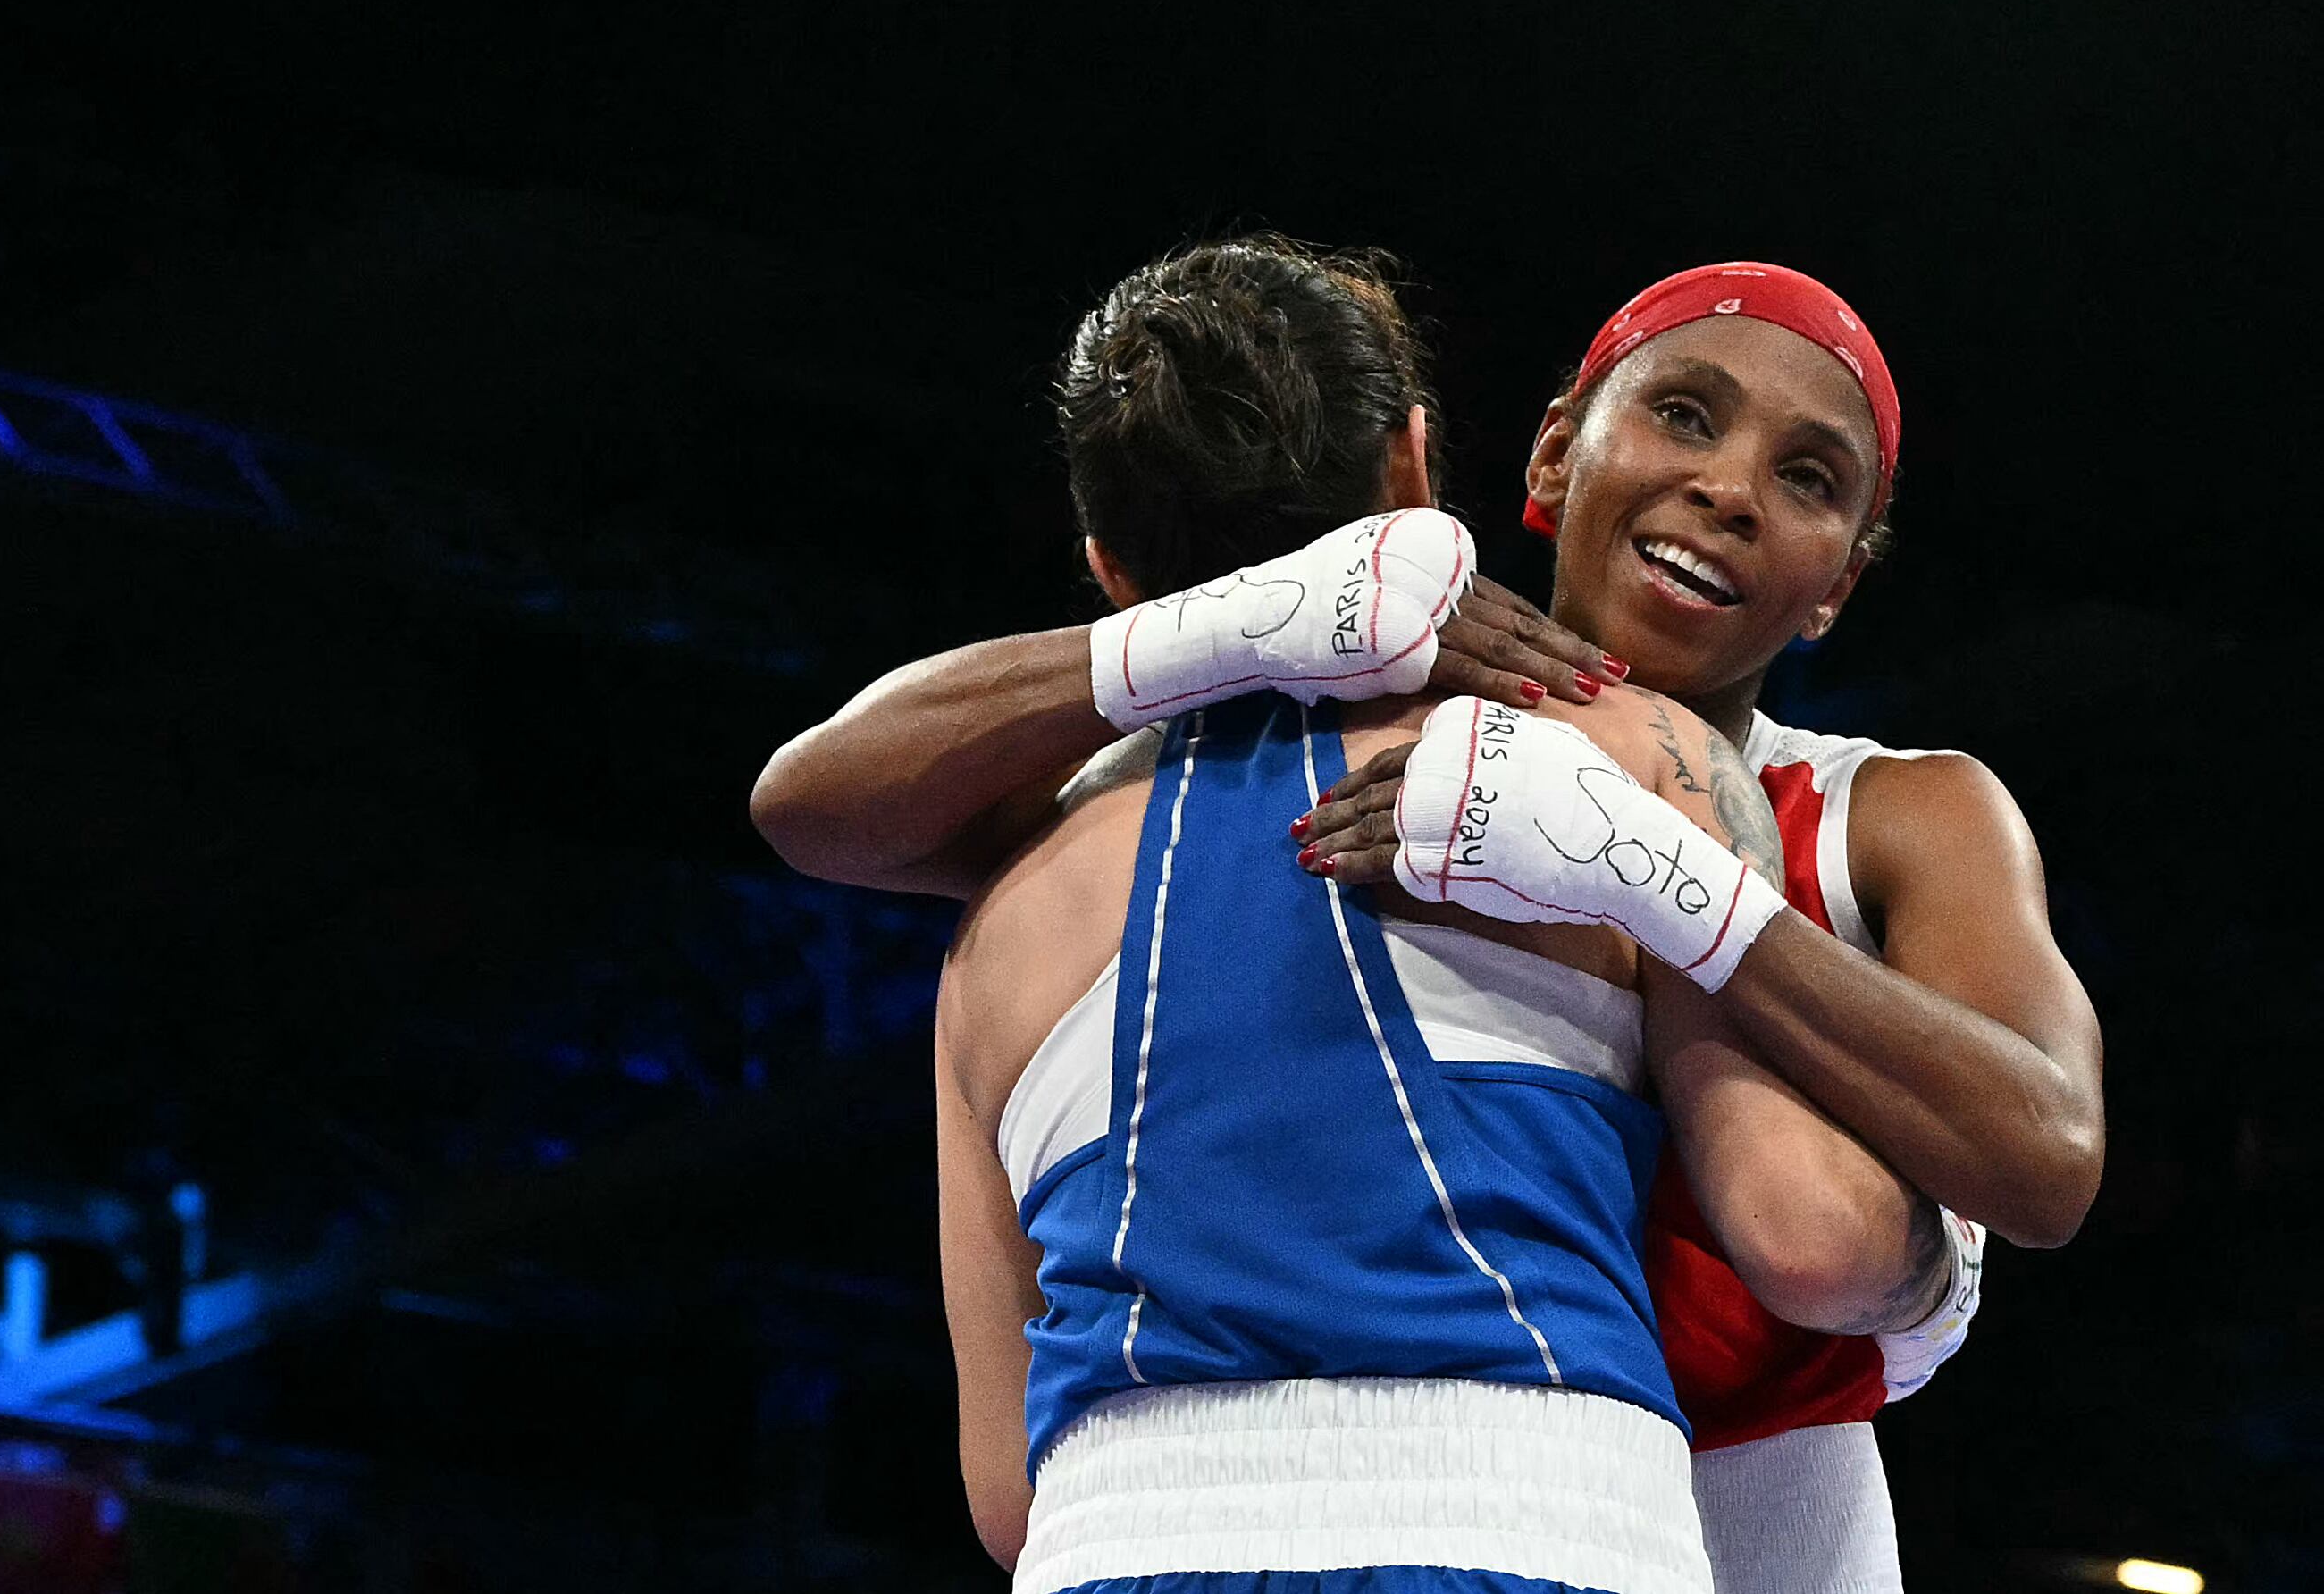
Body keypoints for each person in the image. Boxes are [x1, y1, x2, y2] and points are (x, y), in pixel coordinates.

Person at [754, 250, 2104, 1594]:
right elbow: (814, 800)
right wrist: (1254, 627)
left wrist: (1642, 871)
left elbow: (2029, 1159)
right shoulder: (1584, 751)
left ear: (1838, 588)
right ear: (1548, 456)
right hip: (1557, 1480)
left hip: (1747, 1460)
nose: (1729, 489)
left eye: (1807, 479)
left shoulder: (1889, 810)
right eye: (1684, 415)